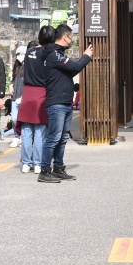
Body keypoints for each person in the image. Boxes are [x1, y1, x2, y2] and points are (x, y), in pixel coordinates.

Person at [39, 22, 94, 184]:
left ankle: (58, 167)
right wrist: (86, 56)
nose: (72, 41)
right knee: (54, 137)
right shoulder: (54, 55)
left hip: (64, 101)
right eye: (71, 37)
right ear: (65, 37)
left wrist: (82, 60)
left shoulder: (58, 54)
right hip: (56, 102)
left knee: (62, 137)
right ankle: (44, 170)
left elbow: (73, 69)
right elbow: (75, 66)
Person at [18, 26, 54, 174]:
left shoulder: (29, 52)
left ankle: (26, 163)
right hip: (42, 93)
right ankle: (38, 163)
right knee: (40, 132)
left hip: (28, 93)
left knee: (27, 131)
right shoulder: (48, 53)